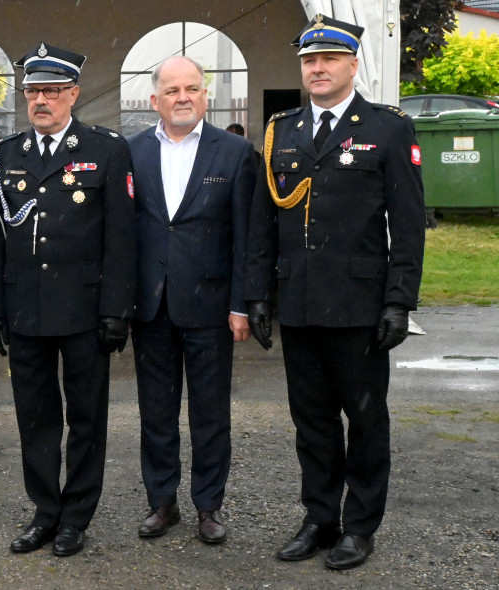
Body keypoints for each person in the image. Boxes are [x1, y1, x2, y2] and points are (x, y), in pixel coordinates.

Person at [246, 14, 424, 570]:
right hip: (298, 301)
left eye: (328, 59)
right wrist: (258, 295)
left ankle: (360, 526)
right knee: (312, 421)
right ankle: (321, 517)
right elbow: (262, 223)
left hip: (358, 305)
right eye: (308, 60)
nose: (316, 69)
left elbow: (409, 223)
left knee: (366, 419)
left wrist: (399, 300)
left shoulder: (387, 128)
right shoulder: (284, 130)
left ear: (352, 63)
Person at [0, 42, 136, 557]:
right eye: (32, 92)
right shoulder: (6, 156)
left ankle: (76, 517)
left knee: (87, 417)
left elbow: (121, 238)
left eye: (51, 91)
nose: (40, 100)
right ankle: (45, 512)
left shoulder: (106, 150)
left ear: (73, 94)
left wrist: (117, 309)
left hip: (84, 312)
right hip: (25, 309)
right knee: (36, 416)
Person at [127, 57, 253, 545]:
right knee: (155, 410)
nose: (183, 97)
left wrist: (242, 303)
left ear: (206, 97)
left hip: (211, 306)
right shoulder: (132, 151)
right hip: (151, 306)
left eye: (192, 89)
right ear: (154, 99)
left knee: (210, 411)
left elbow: (246, 237)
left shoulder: (236, 153)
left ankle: (208, 506)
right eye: (172, 89)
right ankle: (162, 502)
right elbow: (122, 234)